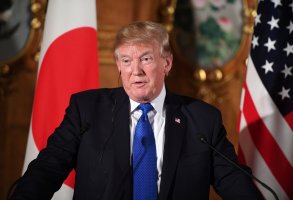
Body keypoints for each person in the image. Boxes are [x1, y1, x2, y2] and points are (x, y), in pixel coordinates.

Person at [9, 21, 263, 200]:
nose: (136, 71)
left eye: (146, 58)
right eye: (127, 61)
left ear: (167, 63)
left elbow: (234, 182)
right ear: (118, 65)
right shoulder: (87, 110)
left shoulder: (202, 119)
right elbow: (47, 170)